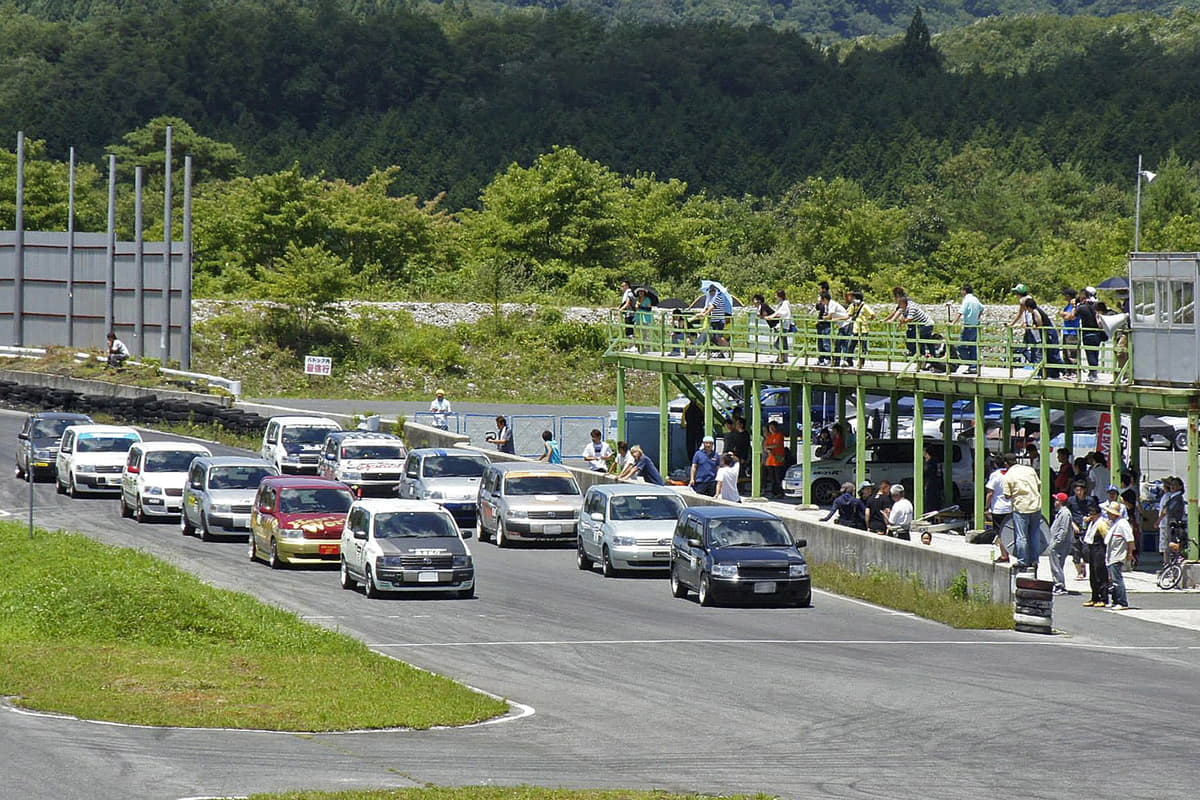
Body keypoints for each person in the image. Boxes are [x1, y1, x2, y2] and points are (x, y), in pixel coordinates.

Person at [1003, 452, 1042, 571]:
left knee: (1021, 536)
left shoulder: (1008, 475)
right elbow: (1039, 485)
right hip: (1036, 505)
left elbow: (1007, 495)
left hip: (1021, 508)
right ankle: (1034, 560)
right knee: (1035, 534)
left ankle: (1022, 561)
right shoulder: (1030, 470)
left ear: (1006, 464)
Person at [884, 286, 936, 370]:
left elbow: (909, 318)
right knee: (919, 339)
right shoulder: (903, 304)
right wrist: (890, 320)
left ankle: (922, 356)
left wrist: (902, 321)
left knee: (917, 337)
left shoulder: (911, 305)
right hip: (918, 324)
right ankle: (924, 357)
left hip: (926, 324)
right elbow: (897, 312)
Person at [1103, 500, 1135, 610]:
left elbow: (1130, 540)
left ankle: (1122, 602)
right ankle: (1115, 600)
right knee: (1112, 580)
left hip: (1117, 556)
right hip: (1111, 556)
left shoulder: (1122, 524)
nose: (1107, 514)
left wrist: (1130, 554)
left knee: (1117, 580)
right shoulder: (1114, 524)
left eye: (1109, 512)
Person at [985, 454, 1014, 563]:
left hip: (998, 508)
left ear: (996, 464)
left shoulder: (995, 475)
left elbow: (990, 493)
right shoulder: (1011, 474)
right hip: (1011, 507)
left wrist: (987, 506)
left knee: (1001, 532)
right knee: (1011, 531)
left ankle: (1004, 555)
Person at [1081, 502, 1110, 607]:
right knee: (1093, 574)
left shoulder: (1101, 523)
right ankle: (1094, 597)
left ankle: (1103, 598)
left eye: (1092, 514)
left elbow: (1107, 537)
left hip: (1099, 549)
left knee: (1100, 574)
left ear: (1098, 514)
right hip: (1092, 549)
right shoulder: (1092, 523)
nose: (1090, 516)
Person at [1048, 492, 1076, 595]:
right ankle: (1057, 584)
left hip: (1059, 545)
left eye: (1056, 500)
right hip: (1056, 544)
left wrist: (1056, 542)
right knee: (1057, 565)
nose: (1054, 502)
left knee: (1057, 566)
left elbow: (1063, 530)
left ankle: (1060, 586)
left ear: (1060, 502)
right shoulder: (1061, 513)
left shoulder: (1065, 513)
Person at [953, 284, 983, 374]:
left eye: (961, 290)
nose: (961, 292)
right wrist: (977, 317)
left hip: (968, 326)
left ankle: (970, 364)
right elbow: (982, 308)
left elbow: (960, 312)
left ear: (964, 291)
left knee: (961, 347)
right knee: (973, 347)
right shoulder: (975, 299)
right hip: (975, 326)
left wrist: (952, 323)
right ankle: (974, 366)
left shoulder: (966, 300)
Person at [1157, 476, 1185, 564]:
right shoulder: (1172, 497)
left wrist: (1158, 521)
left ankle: (1169, 565)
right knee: (1168, 547)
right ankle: (1168, 565)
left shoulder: (1176, 498)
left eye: (1175, 485)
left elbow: (1166, 510)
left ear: (1180, 486)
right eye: (1171, 485)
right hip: (1169, 525)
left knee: (1169, 546)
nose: (1172, 486)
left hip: (1173, 526)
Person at [760, 289, 793, 363]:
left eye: (776, 295)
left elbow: (781, 313)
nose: (775, 297)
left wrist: (771, 317)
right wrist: (771, 316)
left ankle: (782, 355)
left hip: (783, 325)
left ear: (779, 296)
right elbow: (778, 312)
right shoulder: (782, 303)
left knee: (776, 343)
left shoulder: (784, 303)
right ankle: (783, 357)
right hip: (783, 325)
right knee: (783, 342)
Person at [1066, 480, 1090, 580]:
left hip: (1087, 529)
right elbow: (1067, 514)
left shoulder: (1090, 500)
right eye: (1076, 490)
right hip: (1075, 529)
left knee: (1086, 551)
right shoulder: (1071, 501)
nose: (1078, 492)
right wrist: (1073, 525)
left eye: (1080, 490)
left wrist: (1089, 518)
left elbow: (1095, 513)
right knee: (1075, 552)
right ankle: (1079, 572)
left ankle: (1083, 565)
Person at [698, 284, 732, 354]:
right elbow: (707, 308)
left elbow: (713, 307)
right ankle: (722, 351)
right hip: (714, 320)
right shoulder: (712, 299)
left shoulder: (719, 297)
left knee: (718, 337)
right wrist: (701, 313)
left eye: (713, 291)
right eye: (710, 291)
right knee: (714, 337)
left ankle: (728, 348)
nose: (711, 292)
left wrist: (705, 313)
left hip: (719, 321)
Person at [1059, 288, 1080, 373]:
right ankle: (1068, 371)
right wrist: (1065, 314)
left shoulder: (1075, 306)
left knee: (1072, 352)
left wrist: (1065, 315)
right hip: (1066, 331)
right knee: (1065, 353)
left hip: (1072, 332)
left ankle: (1074, 371)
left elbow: (1071, 316)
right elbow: (1061, 313)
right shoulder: (1067, 306)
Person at [763, 421, 786, 498]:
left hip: (778, 460)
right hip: (770, 460)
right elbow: (765, 447)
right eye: (770, 428)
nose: (771, 429)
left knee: (778, 477)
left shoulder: (779, 435)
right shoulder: (769, 437)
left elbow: (777, 445)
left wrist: (770, 447)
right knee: (772, 478)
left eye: (773, 427)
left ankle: (780, 492)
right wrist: (769, 447)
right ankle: (774, 492)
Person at [922, 445, 943, 513]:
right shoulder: (937, 462)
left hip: (930, 484)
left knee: (930, 501)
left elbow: (927, 472)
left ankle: (930, 515)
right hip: (937, 483)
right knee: (936, 500)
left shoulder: (930, 463)